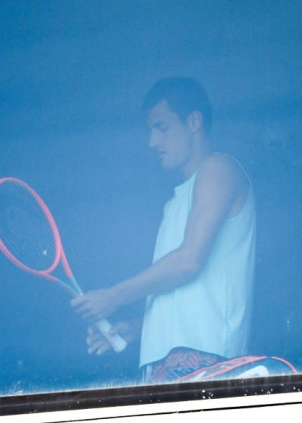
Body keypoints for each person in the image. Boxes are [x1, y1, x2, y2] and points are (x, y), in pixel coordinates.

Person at [71, 77, 256, 383]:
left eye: (162, 127)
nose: (152, 142)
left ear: (194, 121)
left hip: (203, 363)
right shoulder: (175, 203)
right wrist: (135, 327)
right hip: (163, 365)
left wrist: (114, 296)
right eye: (150, 130)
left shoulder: (218, 168)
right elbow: (188, 297)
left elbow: (189, 261)